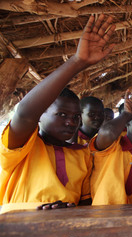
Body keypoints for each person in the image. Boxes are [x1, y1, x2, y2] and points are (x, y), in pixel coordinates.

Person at [0, 14, 116, 213]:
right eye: (61, 115)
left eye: (75, 117)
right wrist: (77, 62)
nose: (71, 122)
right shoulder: (21, 146)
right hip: (18, 232)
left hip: (66, 233)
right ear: (41, 114)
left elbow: (85, 205)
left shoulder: (82, 155)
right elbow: (25, 115)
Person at [89, 89, 132, 205]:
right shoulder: (111, 146)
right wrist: (126, 114)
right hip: (103, 216)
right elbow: (107, 132)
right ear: (128, 121)